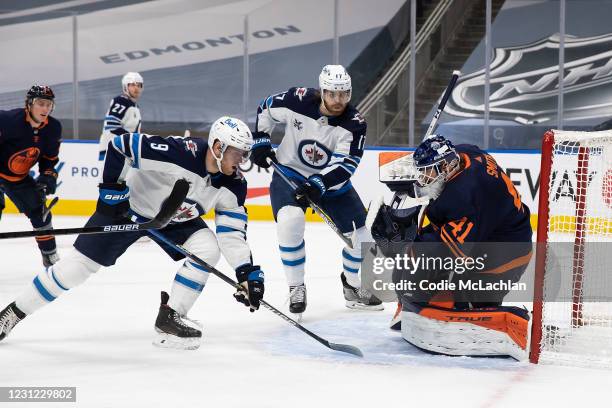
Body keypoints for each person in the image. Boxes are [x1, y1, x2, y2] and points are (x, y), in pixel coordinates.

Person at [0, 116, 265, 350]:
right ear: (218, 147)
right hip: (127, 209)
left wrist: (245, 271)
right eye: (238, 153)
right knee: (74, 269)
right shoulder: (180, 153)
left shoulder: (234, 185)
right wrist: (112, 192)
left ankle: (171, 316)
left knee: (207, 247)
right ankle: (13, 312)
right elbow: (121, 146)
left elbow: (231, 232)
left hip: (173, 220)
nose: (243, 161)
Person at [369, 135, 533, 360]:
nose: (422, 178)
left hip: (507, 252)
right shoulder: (466, 153)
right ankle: (420, 300)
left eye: (427, 172)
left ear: (446, 166)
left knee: (469, 295)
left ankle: (488, 317)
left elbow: (453, 252)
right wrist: (413, 187)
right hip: (487, 233)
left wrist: (404, 246)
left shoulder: (466, 195)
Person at [250, 64, 382, 315]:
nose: (338, 100)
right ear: (322, 91)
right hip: (290, 173)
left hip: (331, 184)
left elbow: (345, 166)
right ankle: (296, 286)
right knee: (290, 221)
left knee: (362, 241)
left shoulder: (354, 124)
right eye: (332, 94)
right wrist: (261, 140)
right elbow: (265, 108)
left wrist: (319, 183)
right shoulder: (297, 100)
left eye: (344, 94)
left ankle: (352, 287)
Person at [0, 85, 61, 267]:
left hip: (19, 178)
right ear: (29, 104)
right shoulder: (8, 120)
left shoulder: (53, 128)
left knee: (40, 213)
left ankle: (50, 256)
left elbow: (49, 159)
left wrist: (48, 176)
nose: (45, 109)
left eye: (48, 104)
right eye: (40, 104)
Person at [98, 72, 143, 161]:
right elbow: (111, 126)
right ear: (126, 86)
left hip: (125, 151)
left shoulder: (135, 106)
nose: (136, 88)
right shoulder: (120, 101)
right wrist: (133, 139)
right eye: (133, 85)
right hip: (113, 151)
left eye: (139, 85)